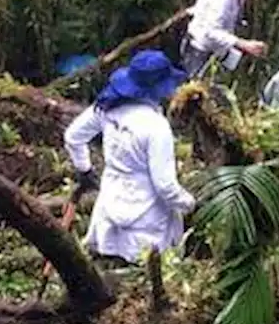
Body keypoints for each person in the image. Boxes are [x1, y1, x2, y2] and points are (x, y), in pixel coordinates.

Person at [64, 50, 195, 263]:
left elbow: (73, 136)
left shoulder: (108, 107)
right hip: (147, 222)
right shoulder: (155, 127)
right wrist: (190, 203)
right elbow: (165, 186)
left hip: (109, 210)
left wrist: (85, 170)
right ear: (158, 87)